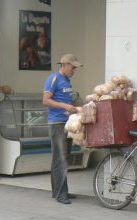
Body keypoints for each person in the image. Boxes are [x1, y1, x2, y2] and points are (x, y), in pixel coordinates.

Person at [43, 53, 83, 204]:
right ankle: (61, 194)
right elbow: (46, 100)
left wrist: (75, 107)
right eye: (73, 67)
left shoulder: (67, 81)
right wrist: (65, 106)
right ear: (64, 65)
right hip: (57, 124)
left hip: (67, 123)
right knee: (60, 159)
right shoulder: (53, 79)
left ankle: (58, 191)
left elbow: (66, 99)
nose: (74, 70)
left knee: (61, 158)